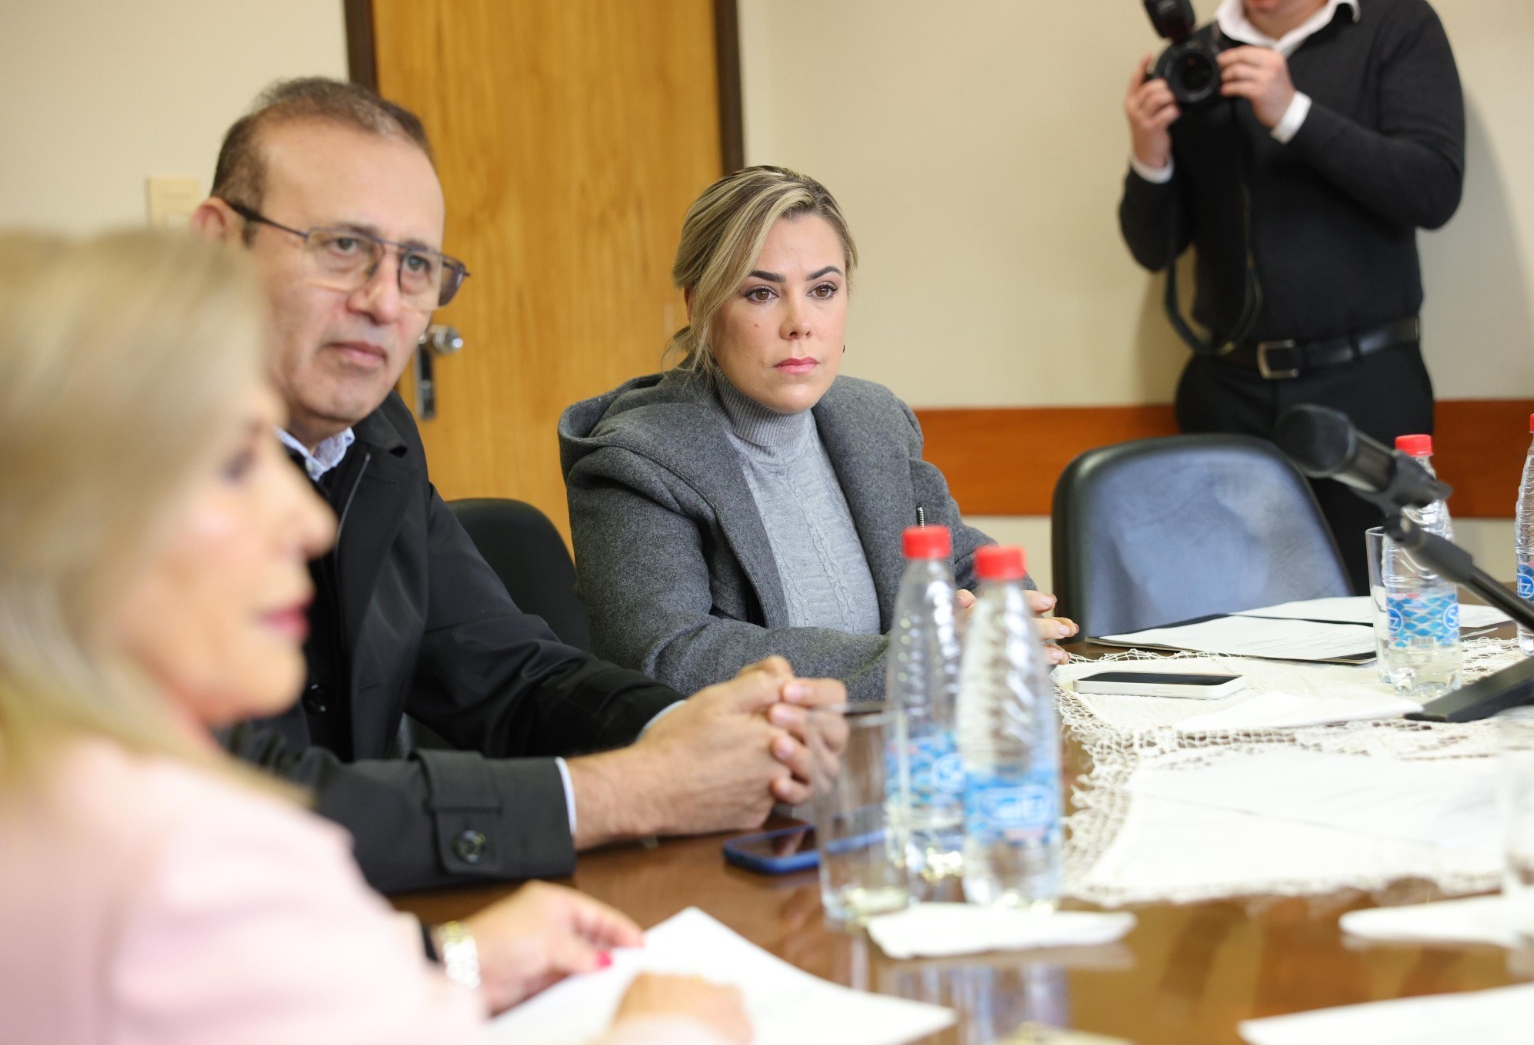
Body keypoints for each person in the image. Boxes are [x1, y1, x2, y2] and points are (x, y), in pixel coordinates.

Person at [0, 229, 750, 1045]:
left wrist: (451, 958)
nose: (306, 522)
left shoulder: (57, 800)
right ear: (59, 522)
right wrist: (673, 1031)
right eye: (234, 464)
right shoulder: (192, 853)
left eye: (417, 265)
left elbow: (251, 986)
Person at [190, 78, 845, 893]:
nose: (385, 302)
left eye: (417, 264)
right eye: (342, 247)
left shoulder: (379, 434)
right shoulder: (102, 468)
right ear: (217, 244)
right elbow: (227, 806)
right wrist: (624, 792)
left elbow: (507, 669)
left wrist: (685, 726)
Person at [559, 166, 1073, 700]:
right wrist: (920, 660)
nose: (799, 322)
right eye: (761, 293)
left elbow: (960, 562)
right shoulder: (634, 458)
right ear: (701, 308)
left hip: (896, 746)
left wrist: (1008, 616)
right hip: (748, 766)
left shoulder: (873, 418)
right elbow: (669, 654)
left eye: (823, 289)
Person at [1118, 0, 1465, 586]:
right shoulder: (1195, 56)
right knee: (1227, 613)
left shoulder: (1397, 27)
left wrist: (1292, 114)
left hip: (1367, 389)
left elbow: (1433, 191)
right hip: (1227, 391)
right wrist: (1150, 155)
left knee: (1380, 609)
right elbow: (1154, 250)